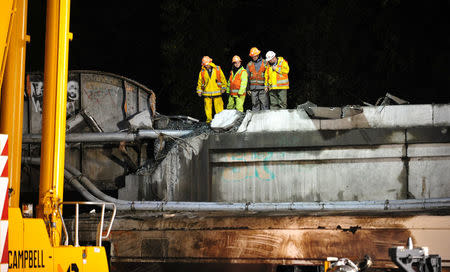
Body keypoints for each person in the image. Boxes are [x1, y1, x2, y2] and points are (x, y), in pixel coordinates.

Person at [196, 56, 227, 123]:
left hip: (217, 92)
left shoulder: (217, 69)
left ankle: (220, 121)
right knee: (208, 108)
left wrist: (224, 88)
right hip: (207, 93)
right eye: (205, 65)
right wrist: (199, 91)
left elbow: (223, 79)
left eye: (207, 64)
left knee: (219, 108)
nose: (206, 66)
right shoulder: (202, 72)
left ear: (210, 62)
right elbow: (200, 82)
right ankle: (209, 121)